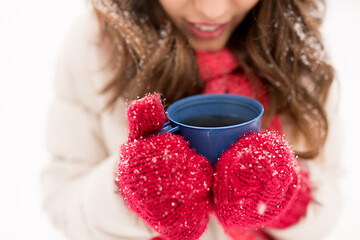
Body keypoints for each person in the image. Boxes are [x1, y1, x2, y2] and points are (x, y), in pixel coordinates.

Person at [41, 0, 342, 239]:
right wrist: (132, 190)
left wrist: (286, 195)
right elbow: (63, 205)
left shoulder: (298, 51)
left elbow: (333, 197)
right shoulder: (97, 46)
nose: (213, 9)